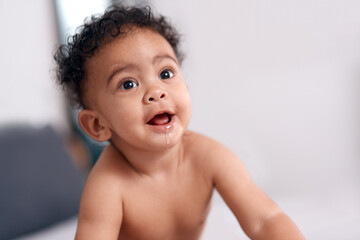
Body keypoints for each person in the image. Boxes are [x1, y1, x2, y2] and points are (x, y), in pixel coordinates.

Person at [54, 4, 305, 240]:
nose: (156, 90)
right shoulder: (108, 185)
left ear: (184, 86)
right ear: (98, 125)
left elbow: (265, 219)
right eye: (128, 84)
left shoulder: (210, 157)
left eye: (165, 73)